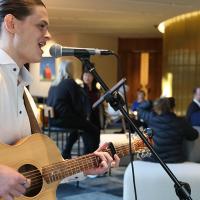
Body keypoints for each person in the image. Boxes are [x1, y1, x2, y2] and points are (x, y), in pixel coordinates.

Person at [0, 0, 120, 199]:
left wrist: (84, 168)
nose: (48, 35)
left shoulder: (24, 91)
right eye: (41, 25)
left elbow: (40, 172)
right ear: (11, 24)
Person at [47, 60, 100, 158]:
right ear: (70, 70)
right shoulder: (70, 82)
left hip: (52, 121)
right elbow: (78, 105)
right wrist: (84, 117)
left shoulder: (53, 84)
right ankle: (90, 159)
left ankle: (66, 152)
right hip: (64, 120)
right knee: (93, 129)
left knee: (78, 128)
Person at [137, 97, 198, 163]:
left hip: (154, 159)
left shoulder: (151, 118)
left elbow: (140, 109)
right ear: (172, 108)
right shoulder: (180, 122)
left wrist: (151, 102)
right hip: (175, 160)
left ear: (157, 107)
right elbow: (194, 135)